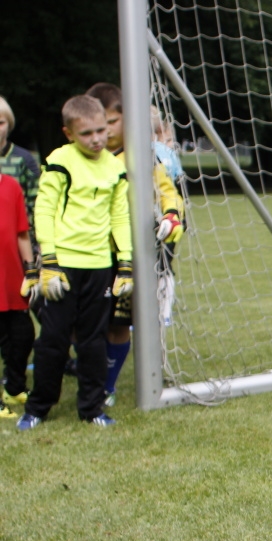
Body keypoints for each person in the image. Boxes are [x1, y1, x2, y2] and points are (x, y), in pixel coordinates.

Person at [17, 95, 131, 430]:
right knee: (53, 338)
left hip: (100, 266)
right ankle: (38, 408)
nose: (97, 139)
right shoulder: (59, 161)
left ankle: (92, 408)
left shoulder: (114, 166)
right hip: (62, 266)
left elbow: (119, 215)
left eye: (102, 130)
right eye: (87, 134)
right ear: (69, 133)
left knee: (93, 339)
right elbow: (45, 210)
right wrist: (48, 259)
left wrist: (124, 262)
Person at [87, 83, 184, 408]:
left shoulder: (142, 158)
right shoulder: (76, 158)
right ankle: (85, 371)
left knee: (119, 323)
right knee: (82, 325)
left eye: (113, 122)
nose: (106, 132)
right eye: (101, 124)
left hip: (129, 257)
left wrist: (172, 217)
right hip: (88, 255)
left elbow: (168, 192)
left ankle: (107, 387)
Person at [0, 172, 34, 418]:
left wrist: (30, 270)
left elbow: (22, 233)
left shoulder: (11, 185)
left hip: (12, 277)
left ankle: (14, 388)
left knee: (23, 335)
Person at [0, 97, 40, 235]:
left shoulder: (24, 158)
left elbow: (36, 202)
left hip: (18, 235)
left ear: (9, 124)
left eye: (0, 123)